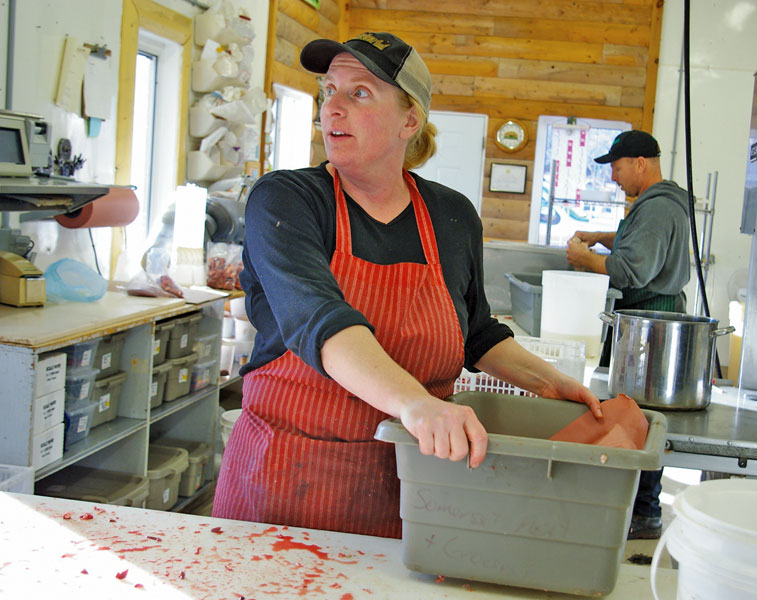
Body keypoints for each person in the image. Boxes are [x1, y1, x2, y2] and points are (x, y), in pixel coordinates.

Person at [212, 32, 602, 539]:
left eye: (360, 93)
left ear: (410, 120)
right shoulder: (287, 200)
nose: (332, 107)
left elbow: (477, 333)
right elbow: (319, 321)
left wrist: (552, 383)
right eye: (328, 90)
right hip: (284, 488)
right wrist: (416, 405)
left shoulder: (451, 216)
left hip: (411, 491)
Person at [566, 129, 692, 540]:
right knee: (631, 416)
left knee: (636, 419)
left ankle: (643, 512)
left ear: (641, 163)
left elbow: (633, 269)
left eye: (618, 168)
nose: (614, 178)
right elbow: (636, 244)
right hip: (646, 318)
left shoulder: (657, 208)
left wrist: (587, 259)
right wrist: (602, 238)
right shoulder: (657, 204)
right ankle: (635, 506)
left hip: (648, 322)